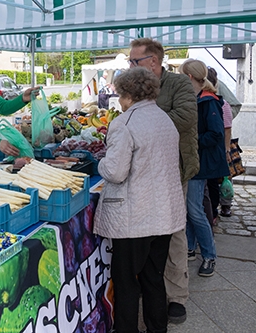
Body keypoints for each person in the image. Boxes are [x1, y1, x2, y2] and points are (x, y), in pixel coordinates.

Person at [93, 67, 185, 333]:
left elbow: (115, 172)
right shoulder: (164, 118)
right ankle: (158, 329)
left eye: (120, 96)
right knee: (153, 279)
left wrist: (100, 163)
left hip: (135, 218)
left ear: (129, 95)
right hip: (164, 215)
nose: (119, 102)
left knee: (126, 283)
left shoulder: (125, 123)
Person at [128, 38, 199, 324]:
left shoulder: (179, 84)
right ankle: (151, 284)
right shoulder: (135, 87)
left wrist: (144, 120)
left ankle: (177, 296)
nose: (130, 66)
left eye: (134, 61)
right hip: (142, 170)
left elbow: (185, 117)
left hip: (174, 168)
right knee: (147, 229)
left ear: (153, 62)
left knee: (174, 230)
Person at [179, 59, 230, 278]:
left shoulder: (208, 101)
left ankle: (209, 255)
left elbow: (216, 134)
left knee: (194, 209)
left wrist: (192, 140)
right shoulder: (199, 98)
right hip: (196, 162)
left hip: (202, 163)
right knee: (192, 208)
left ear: (189, 77)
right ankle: (190, 247)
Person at [206, 67, 234, 219]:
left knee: (217, 181)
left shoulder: (222, 104)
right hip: (214, 149)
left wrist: (226, 149)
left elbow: (227, 129)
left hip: (218, 149)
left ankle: (222, 207)